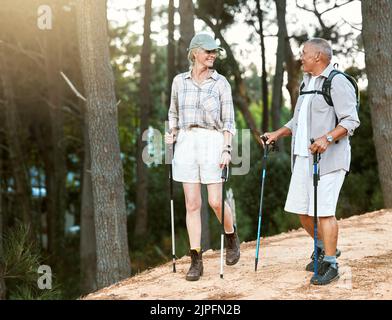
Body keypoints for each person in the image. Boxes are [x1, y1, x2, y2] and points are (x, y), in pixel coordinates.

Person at [262, 38, 360, 285]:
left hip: (330, 160)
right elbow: (298, 122)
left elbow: (351, 120)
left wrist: (327, 138)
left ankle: (330, 263)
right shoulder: (306, 83)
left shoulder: (336, 82)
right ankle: (322, 245)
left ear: (318, 57)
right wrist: (277, 133)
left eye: (304, 53)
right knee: (303, 213)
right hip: (304, 158)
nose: (301, 57)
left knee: (325, 212)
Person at [165, 33, 240, 281]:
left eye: (214, 52)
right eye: (208, 51)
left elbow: (229, 121)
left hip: (213, 140)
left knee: (215, 202)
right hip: (187, 141)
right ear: (194, 52)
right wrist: (172, 132)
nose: (212, 55)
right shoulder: (179, 81)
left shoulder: (221, 83)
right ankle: (195, 260)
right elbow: (173, 112)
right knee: (192, 203)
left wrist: (227, 149)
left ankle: (231, 236)